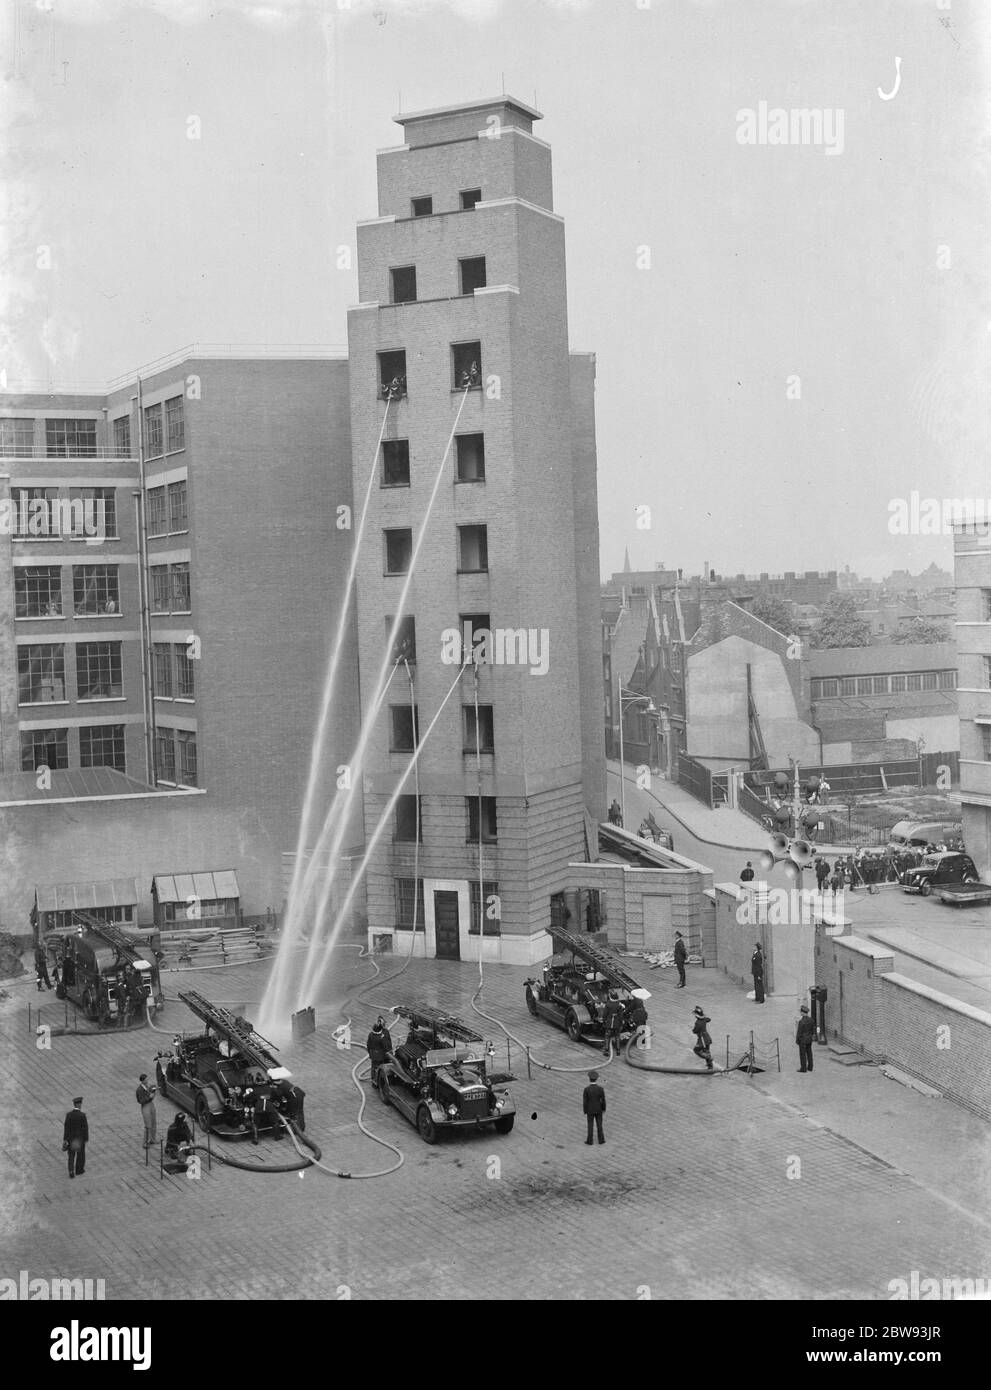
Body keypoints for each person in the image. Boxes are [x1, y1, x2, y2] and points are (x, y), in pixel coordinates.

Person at [63, 1096, 88, 1178]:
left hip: (70, 1139)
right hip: (79, 1139)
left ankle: (71, 1171)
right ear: (79, 1105)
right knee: (80, 1155)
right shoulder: (82, 1115)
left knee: (71, 1155)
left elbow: (66, 1127)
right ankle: (79, 1170)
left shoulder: (69, 1115)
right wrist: (86, 1138)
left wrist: (65, 1139)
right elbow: (85, 1128)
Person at [366, 1017, 393, 1089]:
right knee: (382, 1069)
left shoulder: (371, 1035)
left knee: (374, 1067)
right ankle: (381, 1083)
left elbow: (368, 1045)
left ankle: (374, 1082)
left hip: (373, 1055)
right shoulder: (383, 1036)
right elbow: (387, 1047)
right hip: (382, 1056)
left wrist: (370, 1054)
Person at [582, 1069, 606, 1145]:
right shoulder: (600, 1089)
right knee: (599, 1125)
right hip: (598, 1109)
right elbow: (603, 1100)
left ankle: (589, 1140)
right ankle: (601, 1140)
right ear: (596, 1079)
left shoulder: (586, 1089)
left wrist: (585, 1110)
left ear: (589, 1079)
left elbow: (585, 1101)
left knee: (590, 1125)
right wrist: (603, 1108)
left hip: (590, 1109)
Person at [136, 1074, 157, 1148]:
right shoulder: (139, 1090)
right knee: (148, 1124)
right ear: (142, 1081)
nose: (147, 1081)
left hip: (151, 1104)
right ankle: (145, 1142)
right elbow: (140, 1100)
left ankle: (152, 1139)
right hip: (145, 1106)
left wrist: (153, 1092)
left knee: (153, 1122)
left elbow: (151, 1094)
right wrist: (149, 1097)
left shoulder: (148, 1086)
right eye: (146, 1080)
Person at [691, 1005, 714, 1071]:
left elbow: (695, 1031)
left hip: (702, 1039)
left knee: (696, 1050)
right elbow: (709, 1019)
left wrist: (693, 1030)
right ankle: (710, 1068)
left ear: (696, 1016)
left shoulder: (698, 1022)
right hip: (707, 1037)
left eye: (695, 1015)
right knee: (706, 1051)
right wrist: (704, 1018)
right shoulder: (704, 1019)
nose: (695, 1016)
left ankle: (709, 1058)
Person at [602, 991, 624, 1056]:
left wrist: (604, 1021)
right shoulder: (619, 1005)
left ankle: (606, 1051)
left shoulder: (608, 1004)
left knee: (607, 1036)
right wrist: (621, 1023)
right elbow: (621, 1015)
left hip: (609, 1023)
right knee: (617, 1036)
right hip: (617, 1024)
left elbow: (605, 1014)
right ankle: (618, 1051)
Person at [796, 1003, 816, 1073]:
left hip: (803, 1041)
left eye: (801, 1012)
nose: (800, 1013)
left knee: (803, 1055)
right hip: (809, 1040)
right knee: (809, 1053)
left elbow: (799, 1033)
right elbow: (813, 1031)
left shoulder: (801, 1022)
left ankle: (803, 1068)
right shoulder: (811, 1020)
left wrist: (797, 1040)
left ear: (803, 1012)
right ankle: (810, 1067)